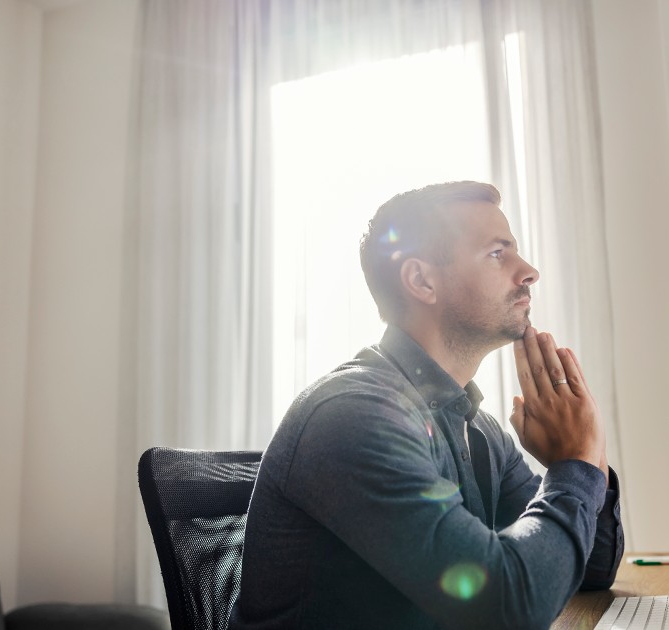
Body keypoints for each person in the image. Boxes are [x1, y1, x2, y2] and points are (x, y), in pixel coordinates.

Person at [229, 181, 623, 629]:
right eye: (498, 253)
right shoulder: (352, 417)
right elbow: (508, 607)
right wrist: (575, 464)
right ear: (421, 280)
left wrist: (585, 453)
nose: (529, 271)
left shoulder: (478, 430)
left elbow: (592, 569)